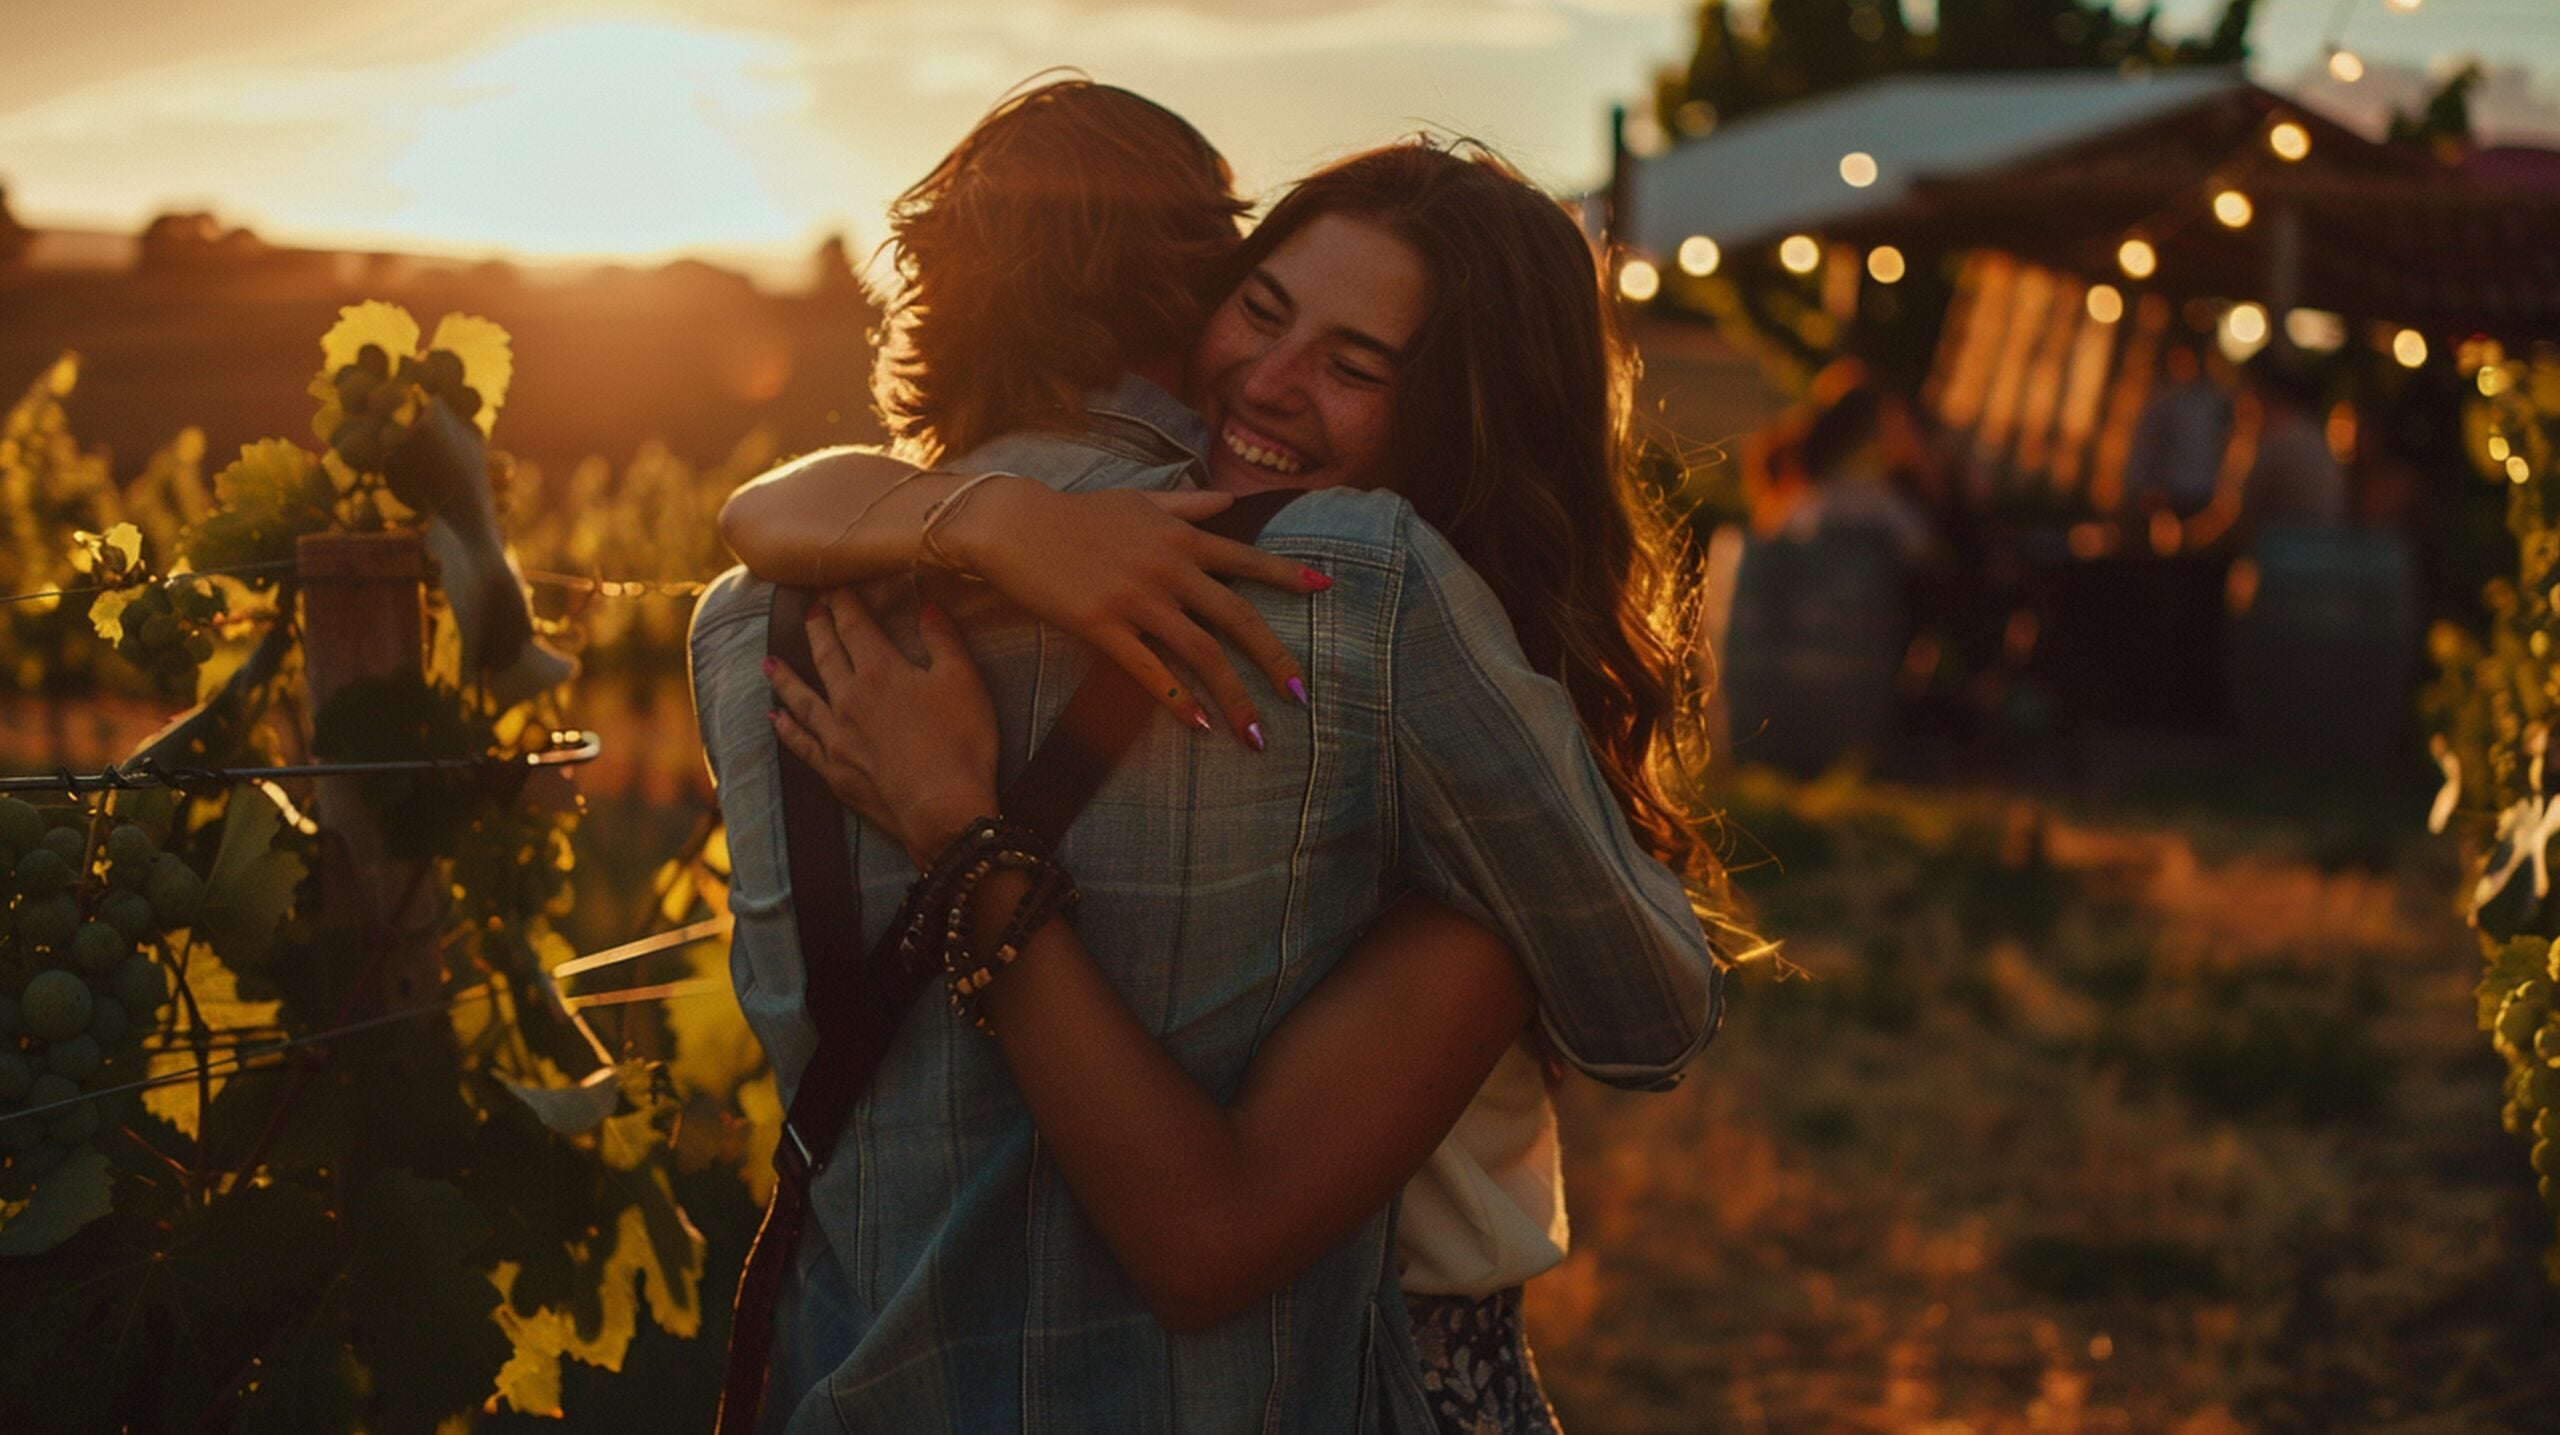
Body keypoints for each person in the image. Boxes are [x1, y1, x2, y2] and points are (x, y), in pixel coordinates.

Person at [690, 83, 1723, 1434]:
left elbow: (760, 514)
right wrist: (991, 524)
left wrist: (965, 805)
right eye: (1262, 310)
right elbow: (1651, 1013)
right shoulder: (1359, 597)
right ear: (1197, 291)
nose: (1272, 384)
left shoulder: (742, 625)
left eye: (1354, 366)